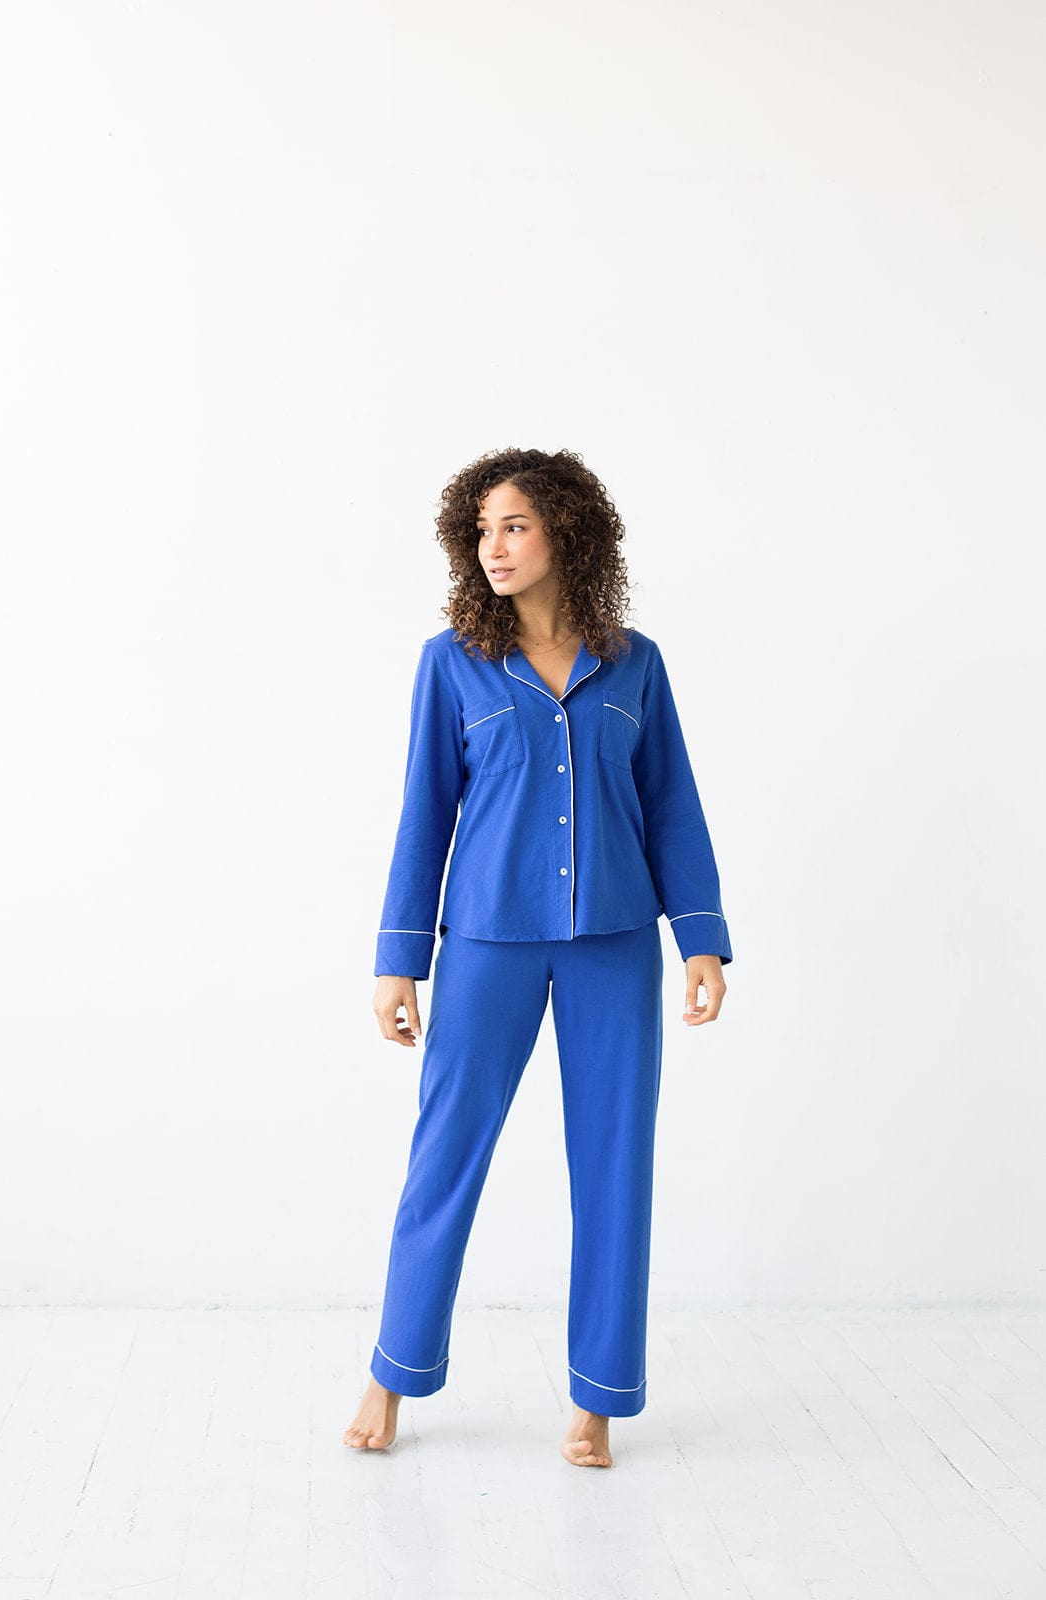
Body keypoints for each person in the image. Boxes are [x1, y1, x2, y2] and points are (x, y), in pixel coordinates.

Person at [343, 446, 732, 1468]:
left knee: (613, 1165)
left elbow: (670, 804)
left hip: (615, 943)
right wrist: (398, 959)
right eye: (480, 529)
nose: (493, 546)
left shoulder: (633, 662)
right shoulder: (450, 663)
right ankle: (392, 1371)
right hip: (486, 942)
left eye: (513, 525)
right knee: (444, 1158)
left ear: (566, 529)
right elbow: (423, 813)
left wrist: (700, 939)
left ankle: (596, 1399)